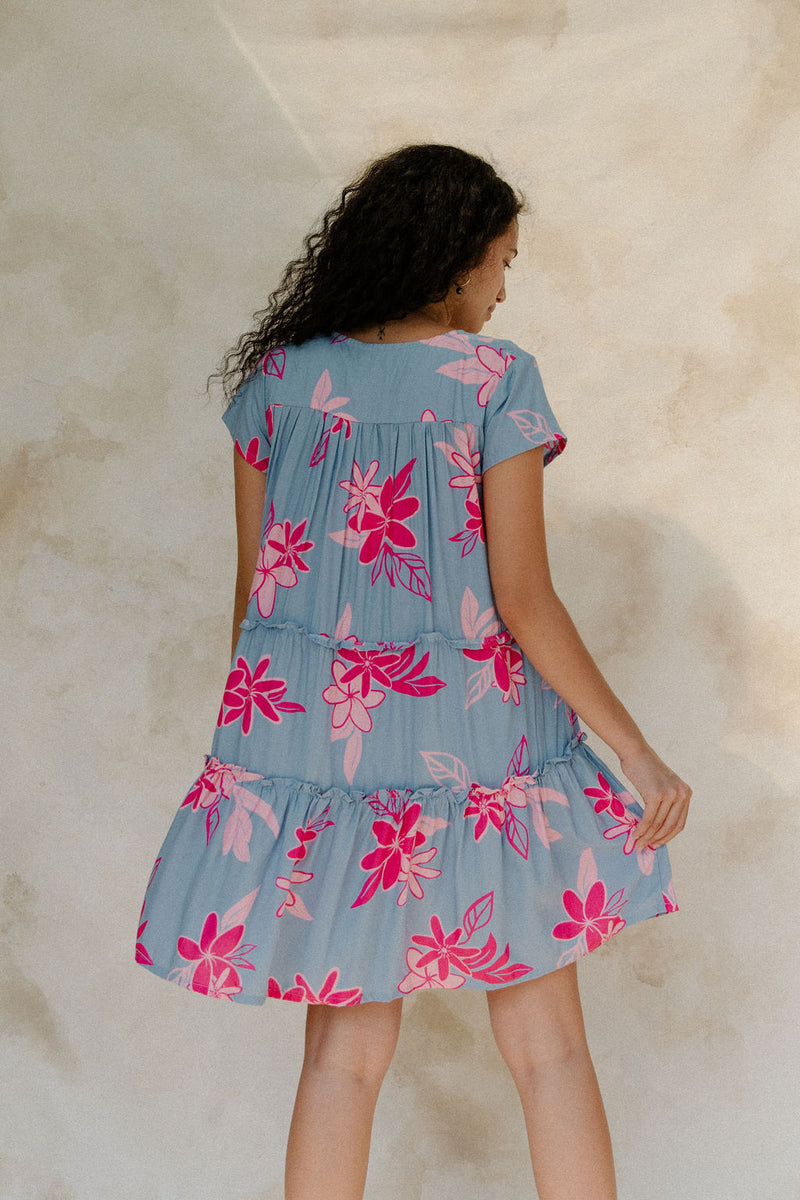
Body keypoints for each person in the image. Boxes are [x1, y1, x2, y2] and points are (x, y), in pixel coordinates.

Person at [135, 143, 691, 1200]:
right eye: (501, 265)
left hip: (318, 750)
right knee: (548, 1055)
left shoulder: (279, 382)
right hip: (481, 746)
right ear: (455, 261)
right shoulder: (492, 380)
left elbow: (259, 598)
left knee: (340, 1060)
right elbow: (522, 599)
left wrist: (266, 764)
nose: (499, 290)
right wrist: (636, 753)